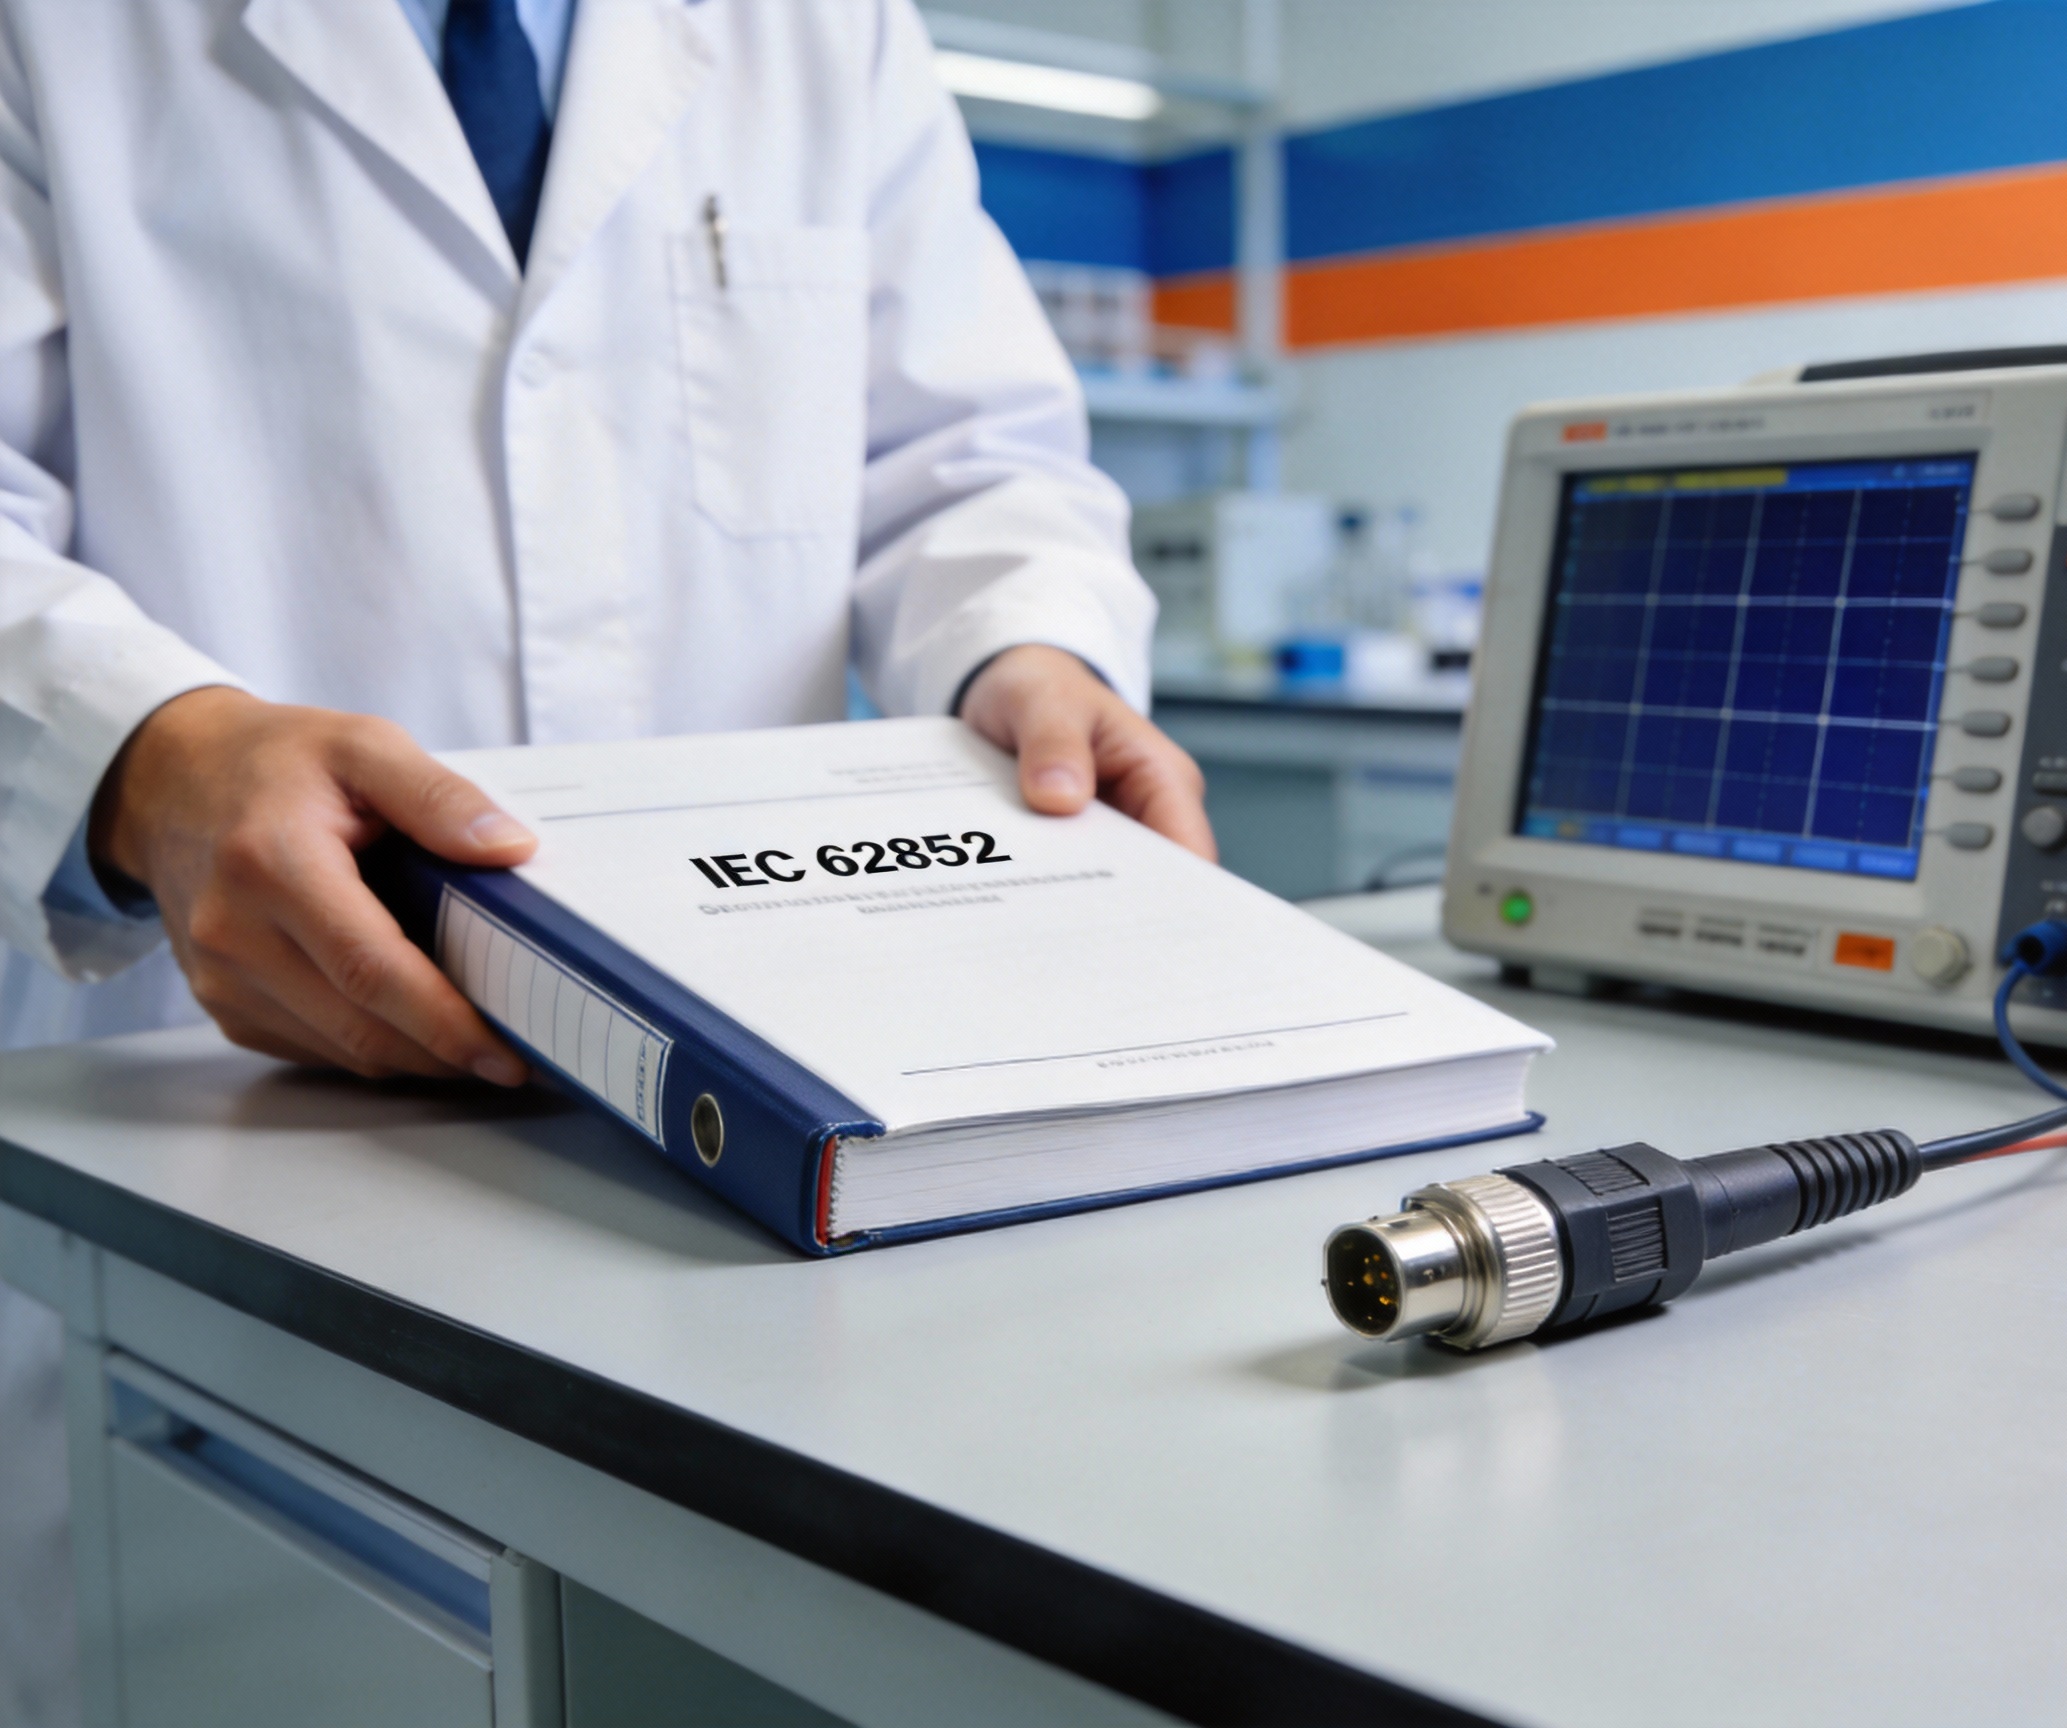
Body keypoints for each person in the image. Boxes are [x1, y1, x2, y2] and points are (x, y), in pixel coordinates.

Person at [0, 2, 1211, 1720]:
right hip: (222, 1101)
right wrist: (142, 752)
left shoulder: (821, 30)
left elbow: (969, 465)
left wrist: (1033, 655)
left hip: (743, 1115)